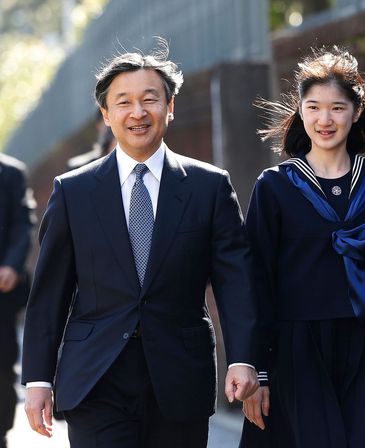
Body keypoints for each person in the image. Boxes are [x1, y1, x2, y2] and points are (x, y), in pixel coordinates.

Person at [22, 41, 259, 448]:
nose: (137, 113)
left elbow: (236, 282)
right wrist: (38, 378)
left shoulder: (209, 187)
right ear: (106, 114)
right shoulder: (74, 191)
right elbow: (49, 294)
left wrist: (243, 356)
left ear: (170, 106)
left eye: (150, 100)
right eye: (124, 102)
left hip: (180, 376)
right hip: (96, 379)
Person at [239, 47, 365, 448]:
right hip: (296, 349)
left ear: (356, 111)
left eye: (337, 108)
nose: (325, 119)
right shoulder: (274, 186)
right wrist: (258, 370)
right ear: (300, 112)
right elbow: (254, 279)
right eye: (313, 107)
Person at [0, 153, 35, 448]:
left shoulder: (11, 172)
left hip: (1, 292)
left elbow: (23, 224)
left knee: (1, 364)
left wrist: (12, 265)